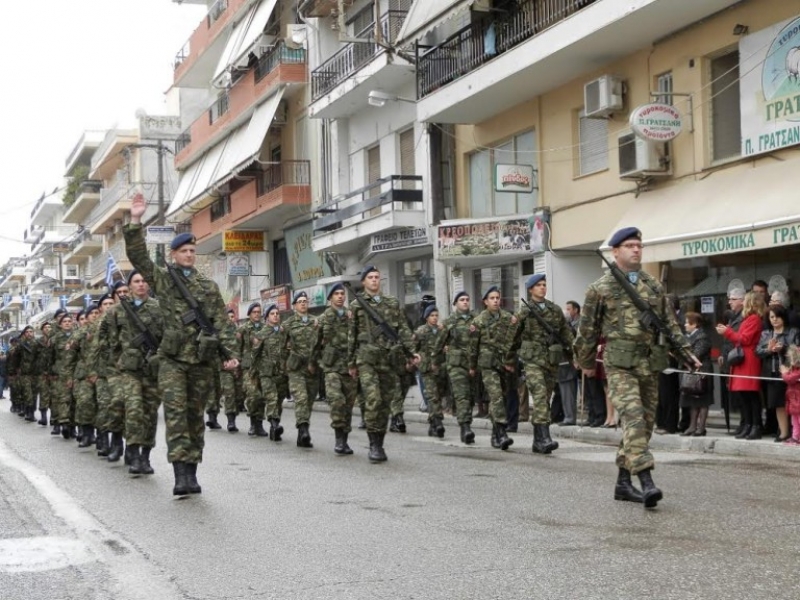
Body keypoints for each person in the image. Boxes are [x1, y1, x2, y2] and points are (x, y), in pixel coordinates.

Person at [574, 227, 698, 509]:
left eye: (639, 245)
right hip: (619, 365)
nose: (636, 250)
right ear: (615, 251)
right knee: (633, 420)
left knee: (645, 426)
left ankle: (622, 483)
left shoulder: (652, 285)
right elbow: (587, 331)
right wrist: (585, 362)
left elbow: (668, 324)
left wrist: (686, 354)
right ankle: (647, 481)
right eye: (629, 245)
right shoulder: (599, 289)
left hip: (648, 364)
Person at [125, 192, 239, 496]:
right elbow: (138, 258)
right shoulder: (163, 280)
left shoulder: (207, 287)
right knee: (176, 417)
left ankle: (192, 471)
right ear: (174, 254)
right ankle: (179, 474)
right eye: (184, 251)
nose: (189, 255)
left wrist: (231, 355)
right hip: (173, 362)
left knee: (194, 418)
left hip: (201, 362)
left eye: (192, 250)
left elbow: (221, 323)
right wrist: (135, 220)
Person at [348, 265, 419, 462]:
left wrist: (412, 352)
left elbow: (403, 329)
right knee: (373, 400)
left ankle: (380, 440)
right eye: (370, 277)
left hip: (389, 359)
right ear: (363, 282)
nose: (374, 280)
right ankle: (373, 444)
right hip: (367, 359)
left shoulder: (392, 303)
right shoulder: (357, 305)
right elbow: (351, 336)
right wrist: (351, 363)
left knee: (386, 402)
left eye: (377, 277)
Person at [105, 270, 164, 475]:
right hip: (128, 371)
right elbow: (110, 344)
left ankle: (145, 456)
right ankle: (132, 450)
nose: (141, 284)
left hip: (151, 370)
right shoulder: (117, 311)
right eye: (136, 281)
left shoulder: (159, 309)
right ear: (129, 286)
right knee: (133, 409)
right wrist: (116, 367)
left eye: (144, 281)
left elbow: (166, 338)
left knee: (149, 413)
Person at [514, 274, 573, 454]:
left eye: (544, 284)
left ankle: (538, 440)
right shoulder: (524, 312)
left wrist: (574, 354)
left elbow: (566, 334)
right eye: (538, 285)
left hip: (550, 361)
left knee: (544, 399)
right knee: (539, 396)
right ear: (530, 289)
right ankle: (545, 437)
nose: (542, 288)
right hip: (532, 361)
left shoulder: (554, 310)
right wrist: (509, 360)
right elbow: (513, 337)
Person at [716, 291, 765, 440]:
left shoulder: (754, 319)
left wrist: (727, 332)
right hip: (742, 358)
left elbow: (744, 339)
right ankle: (748, 424)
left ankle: (755, 425)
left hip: (749, 359)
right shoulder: (748, 319)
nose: (742, 303)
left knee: (751, 394)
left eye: (745, 301)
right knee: (744, 395)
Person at [473, 286, 517, 449]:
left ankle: (495, 434)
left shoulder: (508, 318)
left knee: (501, 399)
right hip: (488, 365)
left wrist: (511, 362)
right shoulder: (479, 321)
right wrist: (472, 366)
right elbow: (473, 346)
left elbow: (514, 341)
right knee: (497, 395)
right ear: (485, 301)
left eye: (497, 297)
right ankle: (502, 432)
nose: (496, 300)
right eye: (492, 298)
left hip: (504, 364)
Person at [317, 283, 359, 454]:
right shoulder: (323, 318)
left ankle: (345, 440)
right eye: (337, 294)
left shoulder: (352, 316)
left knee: (348, 406)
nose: (341, 296)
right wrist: (316, 363)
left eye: (342, 294)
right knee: (337, 402)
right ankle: (338, 439)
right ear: (330, 298)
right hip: (332, 368)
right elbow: (315, 343)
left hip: (349, 367)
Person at [433, 291, 477, 444]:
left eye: (467, 299)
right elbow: (439, 343)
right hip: (456, 364)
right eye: (462, 300)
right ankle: (465, 428)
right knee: (462, 395)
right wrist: (435, 362)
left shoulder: (475, 320)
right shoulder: (449, 322)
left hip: (472, 364)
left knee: (471, 396)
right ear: (456, 304)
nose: (465, 302)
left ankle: (466, 422)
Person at [755, 305, 799, 442]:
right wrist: (769, 350)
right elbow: (757, 352)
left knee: (795, 403)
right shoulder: (766, 334)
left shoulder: (793, 331)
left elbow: (797, 351)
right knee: (778, 404)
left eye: (777, 316)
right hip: (772, 373)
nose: (774, 320)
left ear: (783, 317)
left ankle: (795, 433)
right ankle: (784, 432)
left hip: (790, 374)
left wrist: (783, 348)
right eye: (771, 317)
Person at [283, 291, 320, 448]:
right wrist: (286, 362)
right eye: (300, 301)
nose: (303, 303)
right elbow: (281, 346)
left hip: (312, 368)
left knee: (309, 400)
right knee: (302, 398)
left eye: (305, 301)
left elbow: (321, 344)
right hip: (296, 368)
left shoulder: (315, 322)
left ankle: (301, 433)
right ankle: (304, 430)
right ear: (295, 305)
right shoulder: (288, 324)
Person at [413, 305, 447, 438]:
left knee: (438, 396)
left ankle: (432, 424)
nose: (434, 318)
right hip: (427, 369)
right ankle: (438, 422)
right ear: (426, 317)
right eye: (432, 315)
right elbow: (413, 349)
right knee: (432, 396)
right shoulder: (420, 332)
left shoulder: (441, 331)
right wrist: (416, 360)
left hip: (440, 368)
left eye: (436, 315)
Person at [679, 313, 714, 436]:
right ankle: (692, 426)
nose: (685, 325)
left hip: (703, 372)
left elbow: (696, 354)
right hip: (692, 372)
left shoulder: (702, 337)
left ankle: (701, 427)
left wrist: (682, 355)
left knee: (703, 400)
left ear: (695, 324)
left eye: (687, 323)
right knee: (692, 399)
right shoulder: (688, 337)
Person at [238, 302, 267, 437]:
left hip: (262, 367)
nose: (257, 314)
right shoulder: (244, 329)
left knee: (261, 396)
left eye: (258, 312)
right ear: (249, 314)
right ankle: (252, 422)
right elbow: (238, 347)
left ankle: (259, 425)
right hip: (248, 368)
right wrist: (236, 364)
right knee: (253, 395)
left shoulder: (265, 328)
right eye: (254, 312)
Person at [720, 291, 745, 434]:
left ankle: (745, 423)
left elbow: (737, 337)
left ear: (742, 301)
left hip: (739, 358)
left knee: (743, 395)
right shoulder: (731, 317)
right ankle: (741, 424)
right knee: (735, 394)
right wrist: (723, 355)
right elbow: (727, 341)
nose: (730, 302)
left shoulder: (743, 317)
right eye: (729, 299)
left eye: (733, 299)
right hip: (729, 358)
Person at [218, 309, 243, 433]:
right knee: (229, 393)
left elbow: (245, 349)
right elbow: (214, 351)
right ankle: (231, 421)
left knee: (239, 395)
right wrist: (222, 363)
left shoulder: (239, 332)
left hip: (238, 367)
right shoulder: (219, 332)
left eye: (233, 316)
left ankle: (235, 412)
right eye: (228, 317)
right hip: (225, 368)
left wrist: (239, 362)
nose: (231, 319)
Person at [8, 325, 38, 422]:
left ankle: (32, 413)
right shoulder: (21, 345)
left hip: (35, 373)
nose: (29, 333)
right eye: (27, 332)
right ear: (25, 334)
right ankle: (28, 412)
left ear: (33, 333)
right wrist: (14, 371)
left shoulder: (37, 344)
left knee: (33, 394)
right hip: (25, 374)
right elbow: (15, 358)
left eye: (31, 332)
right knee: (27, 393)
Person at [779, 345, 800, 445]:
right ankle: (795, 437)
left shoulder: (797, 371)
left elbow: (789, 379)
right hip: (793, 400)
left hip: (798, 400)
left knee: (799, 420)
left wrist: (784, 373)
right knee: (794, 420)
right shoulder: (794, 370)